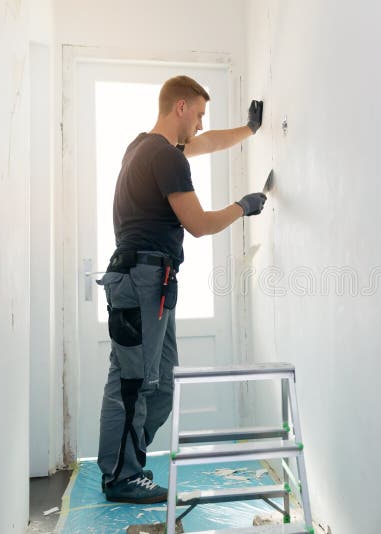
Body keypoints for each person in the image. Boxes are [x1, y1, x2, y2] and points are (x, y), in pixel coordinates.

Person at [96, 75, 267, 504]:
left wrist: (250, 131)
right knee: (132, 382)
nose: (200, 124)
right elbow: (199, 224)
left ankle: (128, 461)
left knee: (161, 385)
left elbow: (205, 144)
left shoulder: (144, 147)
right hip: (141, 278)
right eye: (200, 115)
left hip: (152, 279)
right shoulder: (165, 157)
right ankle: (120, 476)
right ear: (181, 108)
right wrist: (243, 207)